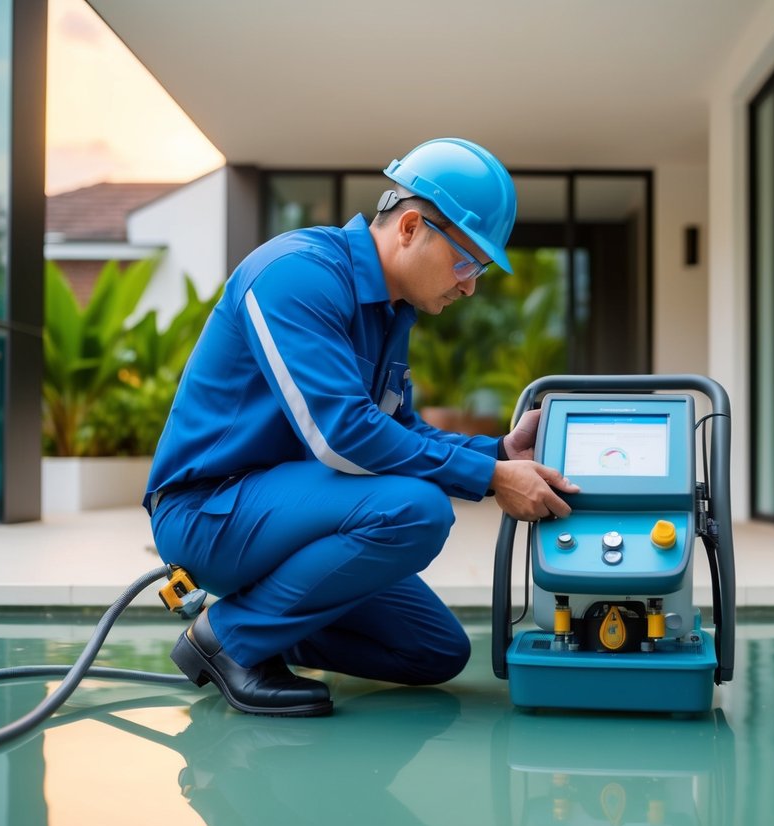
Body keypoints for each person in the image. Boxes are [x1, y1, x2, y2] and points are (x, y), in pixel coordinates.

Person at [144, 137, 579, 717]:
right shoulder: (295, 275)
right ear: (410, 227)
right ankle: (230, 641)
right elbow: (343, 437)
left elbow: (397, 429)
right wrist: (490, 477)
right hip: (208, 512)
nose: (470, 285)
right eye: (467, 261)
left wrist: (497, 449)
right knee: (417, 510)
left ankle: (267, 624)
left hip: (288, 512)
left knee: (435, 651)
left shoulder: (389, 313)